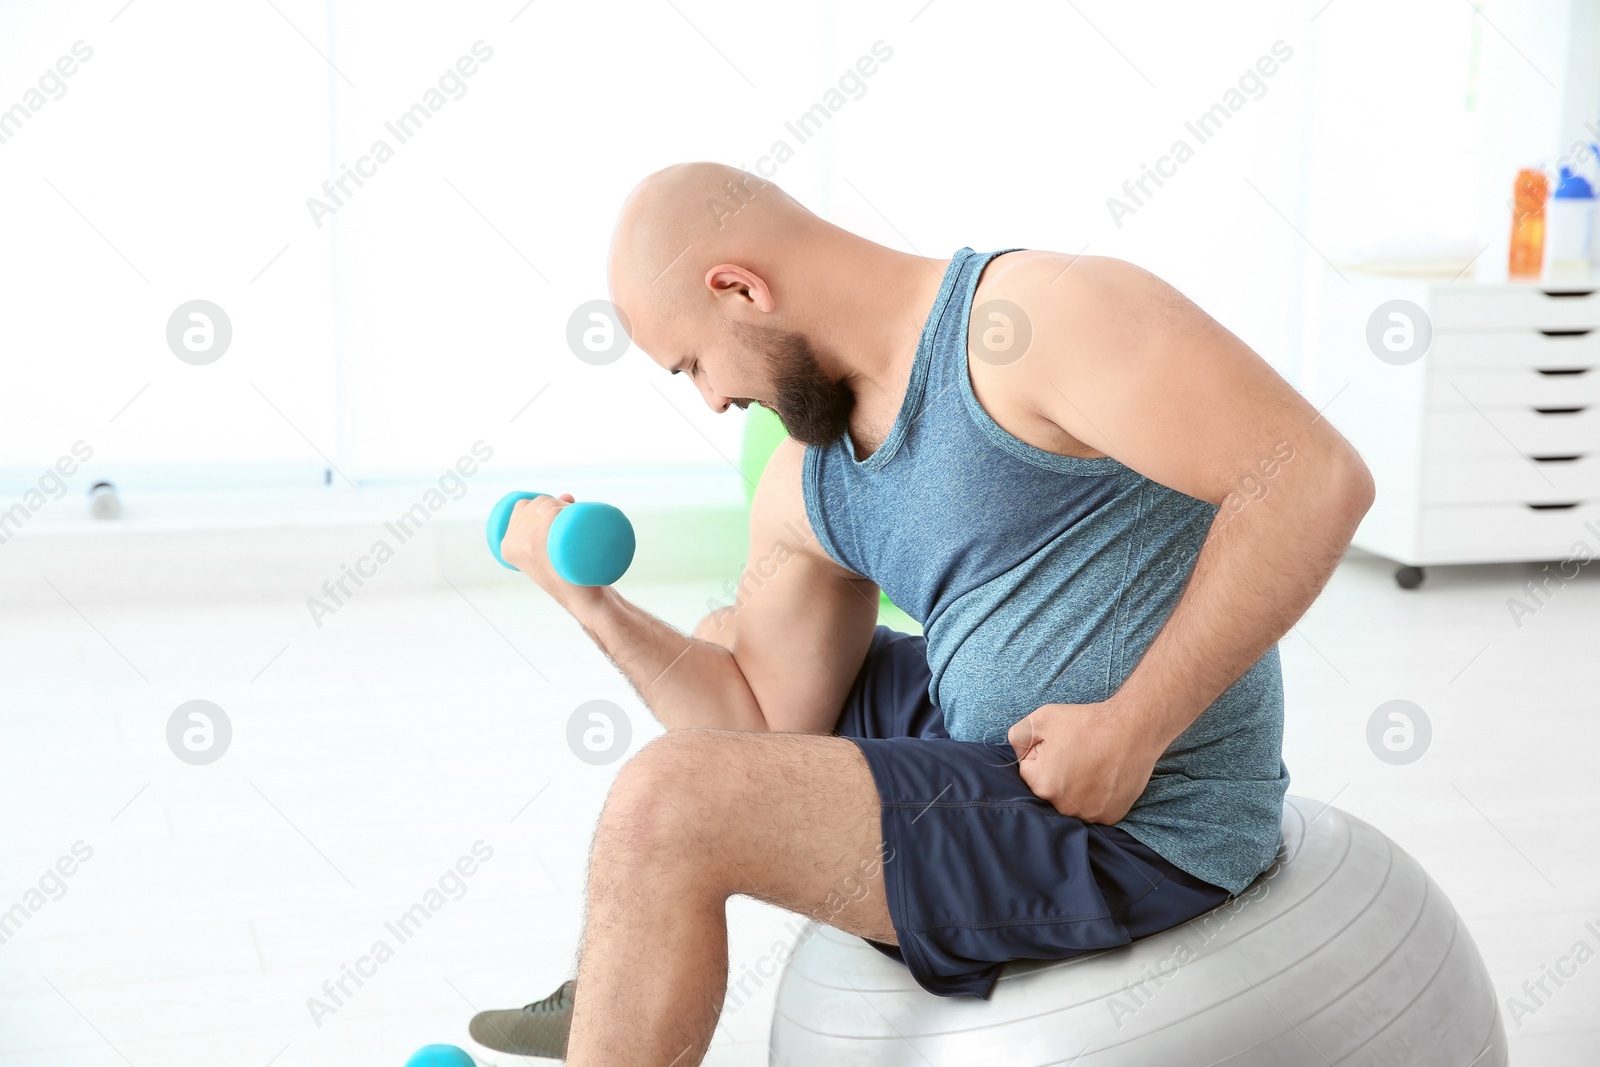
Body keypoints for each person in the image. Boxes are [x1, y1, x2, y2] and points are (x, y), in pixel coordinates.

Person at [468, 162, 1374, 1065]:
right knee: (725, 647)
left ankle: (620, 993)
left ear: (739, 287)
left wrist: (1135, 728)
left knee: (663, 800)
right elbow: (761, 726)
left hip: (1132, 823)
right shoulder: (808, 476)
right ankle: (623, 977)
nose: (712, 398)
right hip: (997, 749)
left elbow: (1313, 480)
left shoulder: (1036, 323)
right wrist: (587, 600)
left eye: (695, 362)